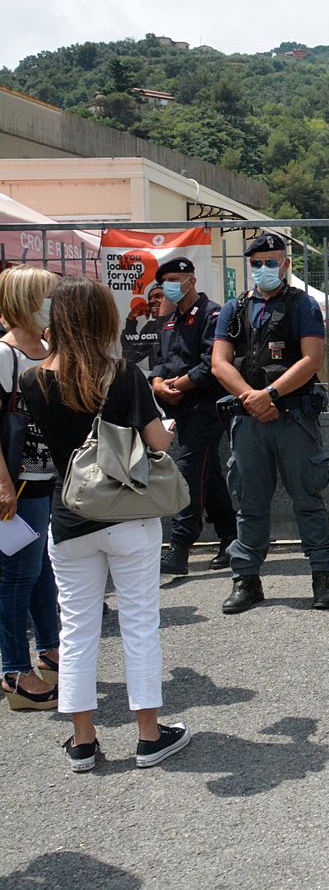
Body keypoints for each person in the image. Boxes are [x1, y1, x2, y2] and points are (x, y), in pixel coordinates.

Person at [21, 276, 190, 771]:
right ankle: (149, 735)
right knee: (140, 624)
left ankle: (83, 742)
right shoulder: (123, 375)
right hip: (129, 511)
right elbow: (157, 443)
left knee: (76, 630)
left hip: (69, 513)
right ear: (103, 320)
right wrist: (167, 428)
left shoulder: (34, 379)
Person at [211, 233, 329, 615]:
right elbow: (220, 363)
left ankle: (322, 577)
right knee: (249, 503)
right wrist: (250, 399)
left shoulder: (303, 306)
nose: (264, 269)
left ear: (285, 264)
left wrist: (268, 395)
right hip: (249, 420)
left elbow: (312, 359)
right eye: (257, 263)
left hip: (293, 418)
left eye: (272, 262)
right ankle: (246, 581)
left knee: (308, 499)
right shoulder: (233, 309)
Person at [148, 257, 238, 577]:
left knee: (188, 471)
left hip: (205, 407)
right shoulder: (170, 321)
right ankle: (230, 535)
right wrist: (159, 384)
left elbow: (211, 364)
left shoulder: (212, 315)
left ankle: (180, 546)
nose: (169, 287)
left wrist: (180, 384)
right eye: (164, 282)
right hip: (178, 409)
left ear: (191, 280)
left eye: (174, 279)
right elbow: (160, 361)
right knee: (207, 472)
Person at [0, 267, 59, 712]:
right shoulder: (5, 354)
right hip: (17, 483)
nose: (53, 304)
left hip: (48, 478)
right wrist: (2, 483)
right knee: (17, 576)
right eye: (46, 296)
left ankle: (51, 650)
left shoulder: (49, 348)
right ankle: (15, 670)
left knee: (41, 572)